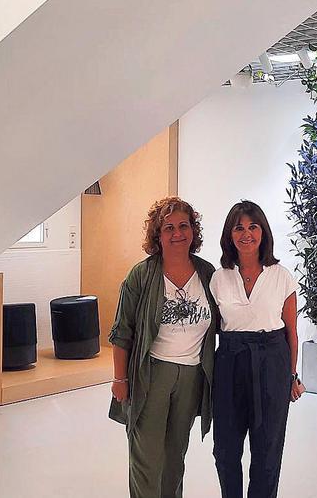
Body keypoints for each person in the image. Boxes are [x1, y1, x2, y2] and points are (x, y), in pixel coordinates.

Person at [108, 196, 220, 498]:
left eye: (184, 226)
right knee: (147, 458)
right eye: (168, 227)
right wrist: (120, 379)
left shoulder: (208, 274)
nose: (177, 233)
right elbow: (122, 333)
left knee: (174, 457)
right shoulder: (141, 276)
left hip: (192, 376)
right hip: (151, 375)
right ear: (157, 235)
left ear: (193, 231)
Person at [210, 200, 305, 498]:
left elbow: (292, 333)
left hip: (272, 361)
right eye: (239, 228)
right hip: (229, 362)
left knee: (266, 452)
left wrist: (291, 376)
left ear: (263, 232)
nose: (246, 233)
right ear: (230, 234)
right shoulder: (219, 277)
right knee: (225, 450)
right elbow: (209, 329)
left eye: (253, 226)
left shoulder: (281, 275)